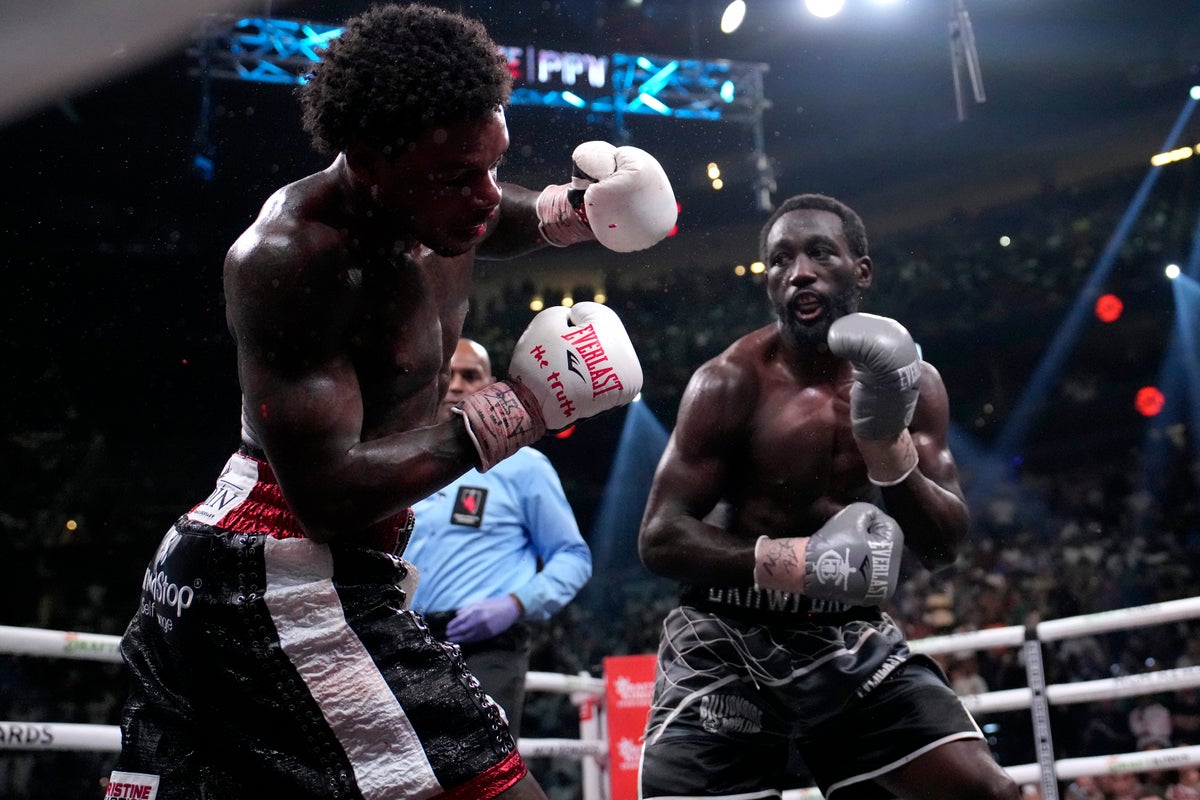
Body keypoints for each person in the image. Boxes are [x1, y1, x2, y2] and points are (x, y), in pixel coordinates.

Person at [107, 4, 673, 799]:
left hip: (317, 567)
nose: (484, 197)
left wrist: (573, 212)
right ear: (369, 161)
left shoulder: (436, 207)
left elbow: (488, 211)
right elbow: (327, 496)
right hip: (276, 571)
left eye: (493, 162)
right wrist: (521, 411)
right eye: (455, 177)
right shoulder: (293, 258)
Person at [636, 193, 1020, 799]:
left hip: (843, 635)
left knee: (986, 793)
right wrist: (795, 563)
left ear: (861, 270)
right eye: (780, 260)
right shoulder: (729, 380)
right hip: (725, 635)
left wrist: (887, 449)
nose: (800, 272)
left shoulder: (913, 383)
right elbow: (659, 536)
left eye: (820, 253)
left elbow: (943, 544)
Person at [406, 337, 592, 739]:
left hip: (489, 646)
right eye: (448, 374)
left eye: (470, 375)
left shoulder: (523, 466)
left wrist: (516, 604)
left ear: (490, 387)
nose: (456, 385)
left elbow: (572, 556)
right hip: (406, 641)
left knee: (482, 771)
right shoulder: (402, 465)